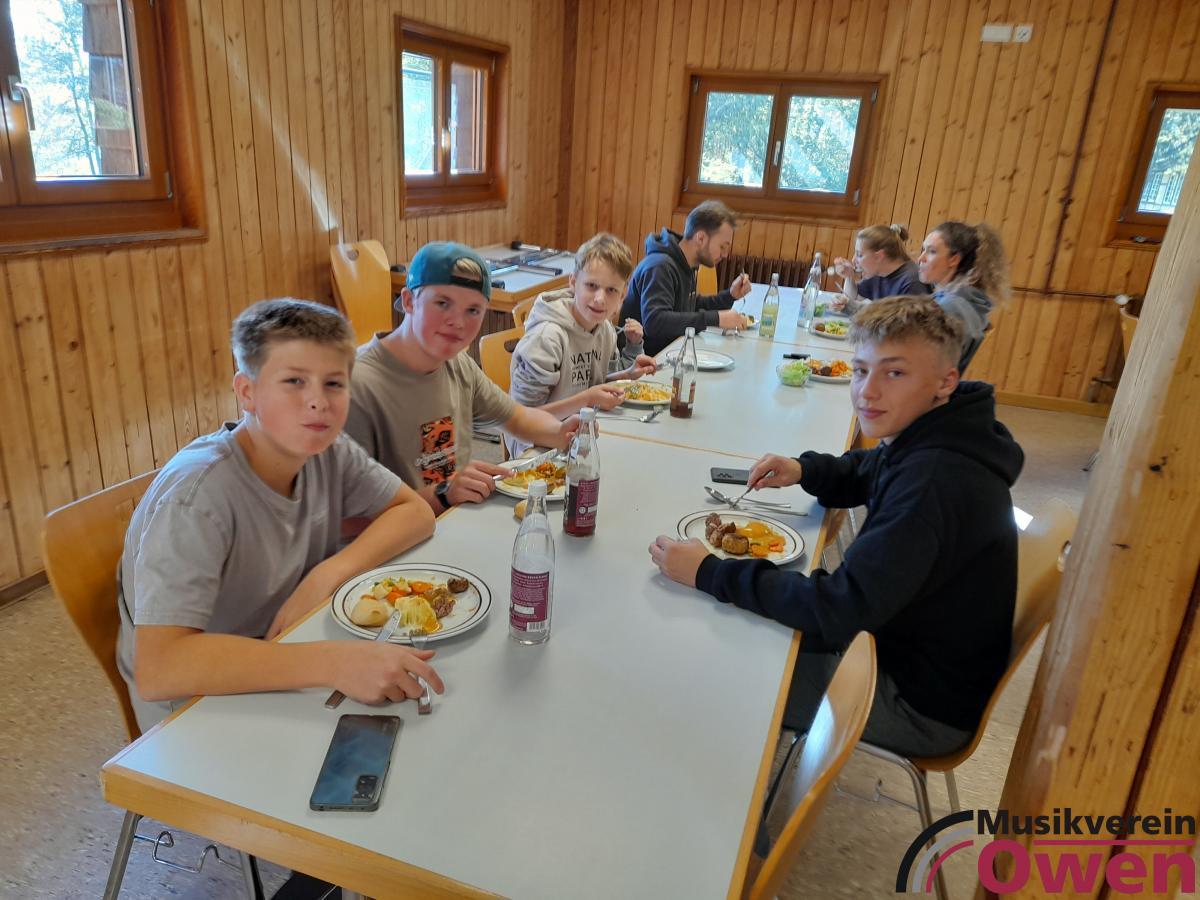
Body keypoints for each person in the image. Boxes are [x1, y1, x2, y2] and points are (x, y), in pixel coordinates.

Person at [649, 297, 1023, 764]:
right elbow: (872, 468)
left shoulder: (932, 484)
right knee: (736, 627)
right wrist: (805, 470)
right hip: (899, 652)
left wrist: (709, 572)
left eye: (894, 373)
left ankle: (728, 807)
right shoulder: (940, 432)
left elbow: (836, 608)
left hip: (912, 701)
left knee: (710, 664)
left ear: (946, 381)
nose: (868, 391)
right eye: (861, 370)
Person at [117, 298, 445, 732]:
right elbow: (160, 669)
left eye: (334, 383)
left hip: (288, 650)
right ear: (247, 393)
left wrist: (326, 575)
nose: (318, 402)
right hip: (196, 708)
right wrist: (333, 663)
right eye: (294, 381)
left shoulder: (328, 450)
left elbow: (414, 512)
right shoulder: (196, 498)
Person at [345, 242, 580, 515]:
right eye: (442, 303)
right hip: (403, 539)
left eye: (473, 310)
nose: (457, 322)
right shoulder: (357, 386)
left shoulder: (457, 364)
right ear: (409, 301)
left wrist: (560, 432)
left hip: (453, 521)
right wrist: (442, 495)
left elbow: (516, 417)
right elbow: (343, 522)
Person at [507, 233, 658, 457]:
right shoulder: (547, 339)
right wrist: (587, 399)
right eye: (591, 286)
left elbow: (593, 385)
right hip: (537, 450)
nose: (600, 299)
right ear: (573, 282)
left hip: (583, 435)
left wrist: (627, 375)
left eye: (611, 290)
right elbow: (520, 420)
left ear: (623, 295)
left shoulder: (605, 330)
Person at [618, 200, 753, 356]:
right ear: (701, 238)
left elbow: (690, 306)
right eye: (722, 246)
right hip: (645, 360)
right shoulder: (660, 266)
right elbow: (655, 322)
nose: (725, 254)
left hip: (671, 352)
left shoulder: (684, 264)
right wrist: (715, 319)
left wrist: (730, 295)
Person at [917, 221, 1011, 372]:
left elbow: (923, 366)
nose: (921, 258)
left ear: (954, 259)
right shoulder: (966, 300)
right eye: (923, 250)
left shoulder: (950, 307)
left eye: (932, 251)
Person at [830, 223, 930, 314]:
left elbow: (905, 324)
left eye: (859, 255)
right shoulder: (878, 271)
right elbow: (853, 297)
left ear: (879, 256)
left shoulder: (912, 282)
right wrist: (849, 276)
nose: (853, 260)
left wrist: (854, 307)